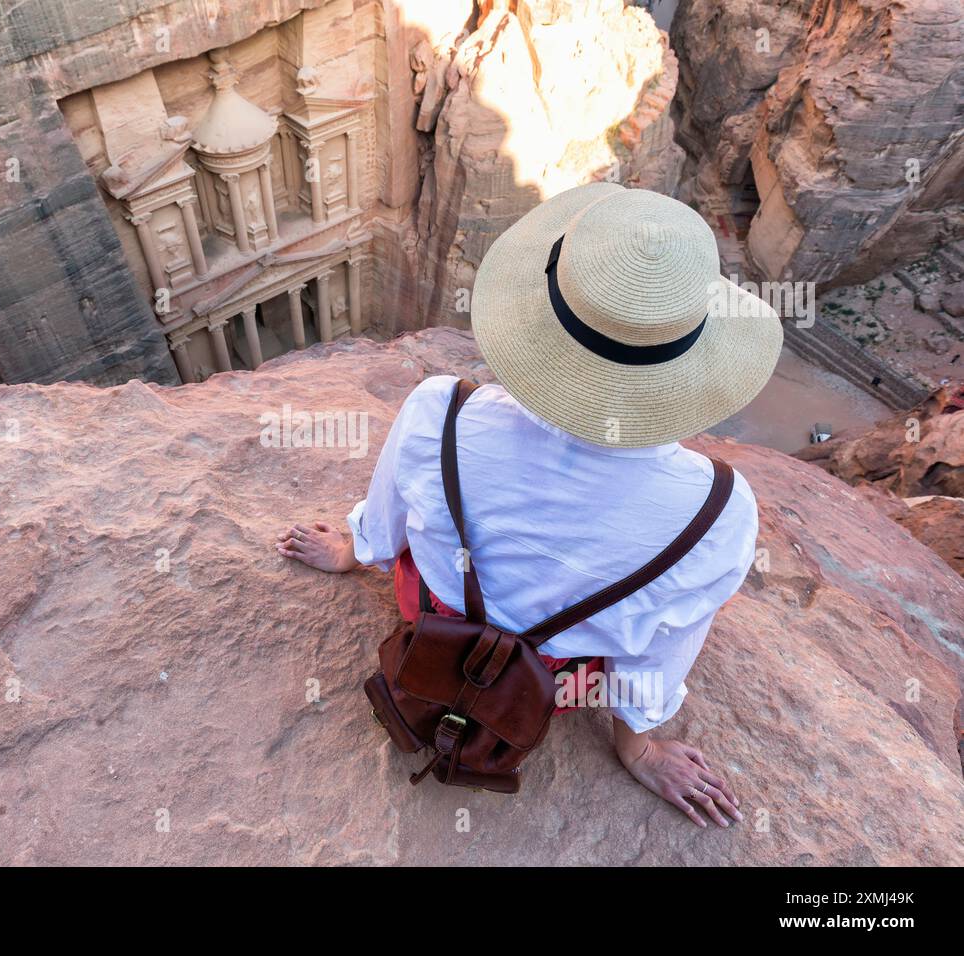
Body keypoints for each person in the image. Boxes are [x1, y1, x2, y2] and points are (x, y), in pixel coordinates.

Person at [276, 183, 782, 828]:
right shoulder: (717, 512)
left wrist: (355, 550)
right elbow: (661, 651)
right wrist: (640, 748)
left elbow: (392, 514)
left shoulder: (442, 409)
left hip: (430, 619)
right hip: (556, 684)